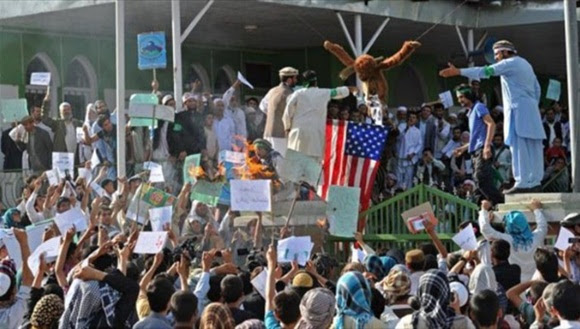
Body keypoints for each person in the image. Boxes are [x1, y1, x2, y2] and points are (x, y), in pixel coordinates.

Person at [440, 40, 546, 193]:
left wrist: (459, 72)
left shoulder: (510, 63)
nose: (496, 58)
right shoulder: (526, 64)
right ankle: (535, 182)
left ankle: (523, 183)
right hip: (530, 111)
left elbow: (486, 71)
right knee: (533, 147)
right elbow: (537, 89)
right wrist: (530, 107)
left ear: (504, 52)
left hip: (519, 112)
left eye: (497, 54)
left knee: (519, 146)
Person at [282, 70, 353, 161]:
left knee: (296, 161)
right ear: (315, 82)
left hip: (298, 132)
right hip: (315, 133)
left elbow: (288, 111)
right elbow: (339, 92)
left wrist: (287, 127)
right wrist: (348, 89)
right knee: (313, 163)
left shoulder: (298, 93)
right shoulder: (324, 93)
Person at [452, 84, 503, 205]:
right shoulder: (470, 113)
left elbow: (491, 124)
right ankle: (495, 203)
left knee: (481, 178)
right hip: (476, 151)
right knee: (479, 180)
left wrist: (486, 146)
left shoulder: (479, 107)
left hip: (482, 149)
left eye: (462, 97)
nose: (460, 100)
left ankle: (499, 202)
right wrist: (464, 148)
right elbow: (478, 136)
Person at [479, 199, 547, 282]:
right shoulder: (536, 238)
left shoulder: (508, 240)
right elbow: (543, 226)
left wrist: (484, 211)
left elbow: (485, 229)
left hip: (515, 282)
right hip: (535, 280)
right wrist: (537, 210)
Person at [395, 270, 476, 329]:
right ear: (446, 292)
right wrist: (457, 312)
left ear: (420, 292)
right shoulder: (462, 323)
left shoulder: (407, 323)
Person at [260, 67, 299, 154]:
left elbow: (262, 106)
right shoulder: (290, 94)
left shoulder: (272, 91)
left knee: (269, 163)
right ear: (289, 80)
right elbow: (293, 114)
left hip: (268, 134)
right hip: (281, 136)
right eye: (295, 78)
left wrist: (273, 115)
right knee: (280, 163)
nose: (296, 81)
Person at [395, 112, 422, 189]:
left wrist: (413, 153)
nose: (411, 119)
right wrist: (407, 127)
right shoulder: (402, 126)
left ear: (416, 120)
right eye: (410, 117)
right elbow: (398, 137)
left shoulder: (417, 131)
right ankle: (398, 193)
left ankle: (408, 194)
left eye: (414, 117)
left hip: (410, 157)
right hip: (400, 156)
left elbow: (419, 144)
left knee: (408, 177)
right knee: (399, 176)